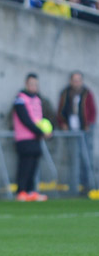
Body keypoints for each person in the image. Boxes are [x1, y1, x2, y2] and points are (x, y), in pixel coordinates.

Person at [57, 71, 97, 193]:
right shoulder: (65, 93)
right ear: (70, 81)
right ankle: (75, 185)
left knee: (86, 157)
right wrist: (62, 124)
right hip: (71, 132)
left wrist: (88, 124)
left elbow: (93, 111)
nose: (76, 82)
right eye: (74, 80)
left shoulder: (87, 93)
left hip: (85, 131)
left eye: (79, 80)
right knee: (74, 158)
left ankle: (87, 184)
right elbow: (60, 111)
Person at [13, 73, 51, 201]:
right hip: (24, 138)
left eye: (35, 84)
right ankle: (21, 191)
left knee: (34, 165)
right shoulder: (20, 99)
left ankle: (30, 190)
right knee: (25, 165)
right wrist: (41, 132)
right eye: (31, 84)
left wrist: (46, 131)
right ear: (26, 84)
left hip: (36, 138)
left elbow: (40, 119)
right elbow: (26, 120)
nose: (34, 86)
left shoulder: (37, 99)